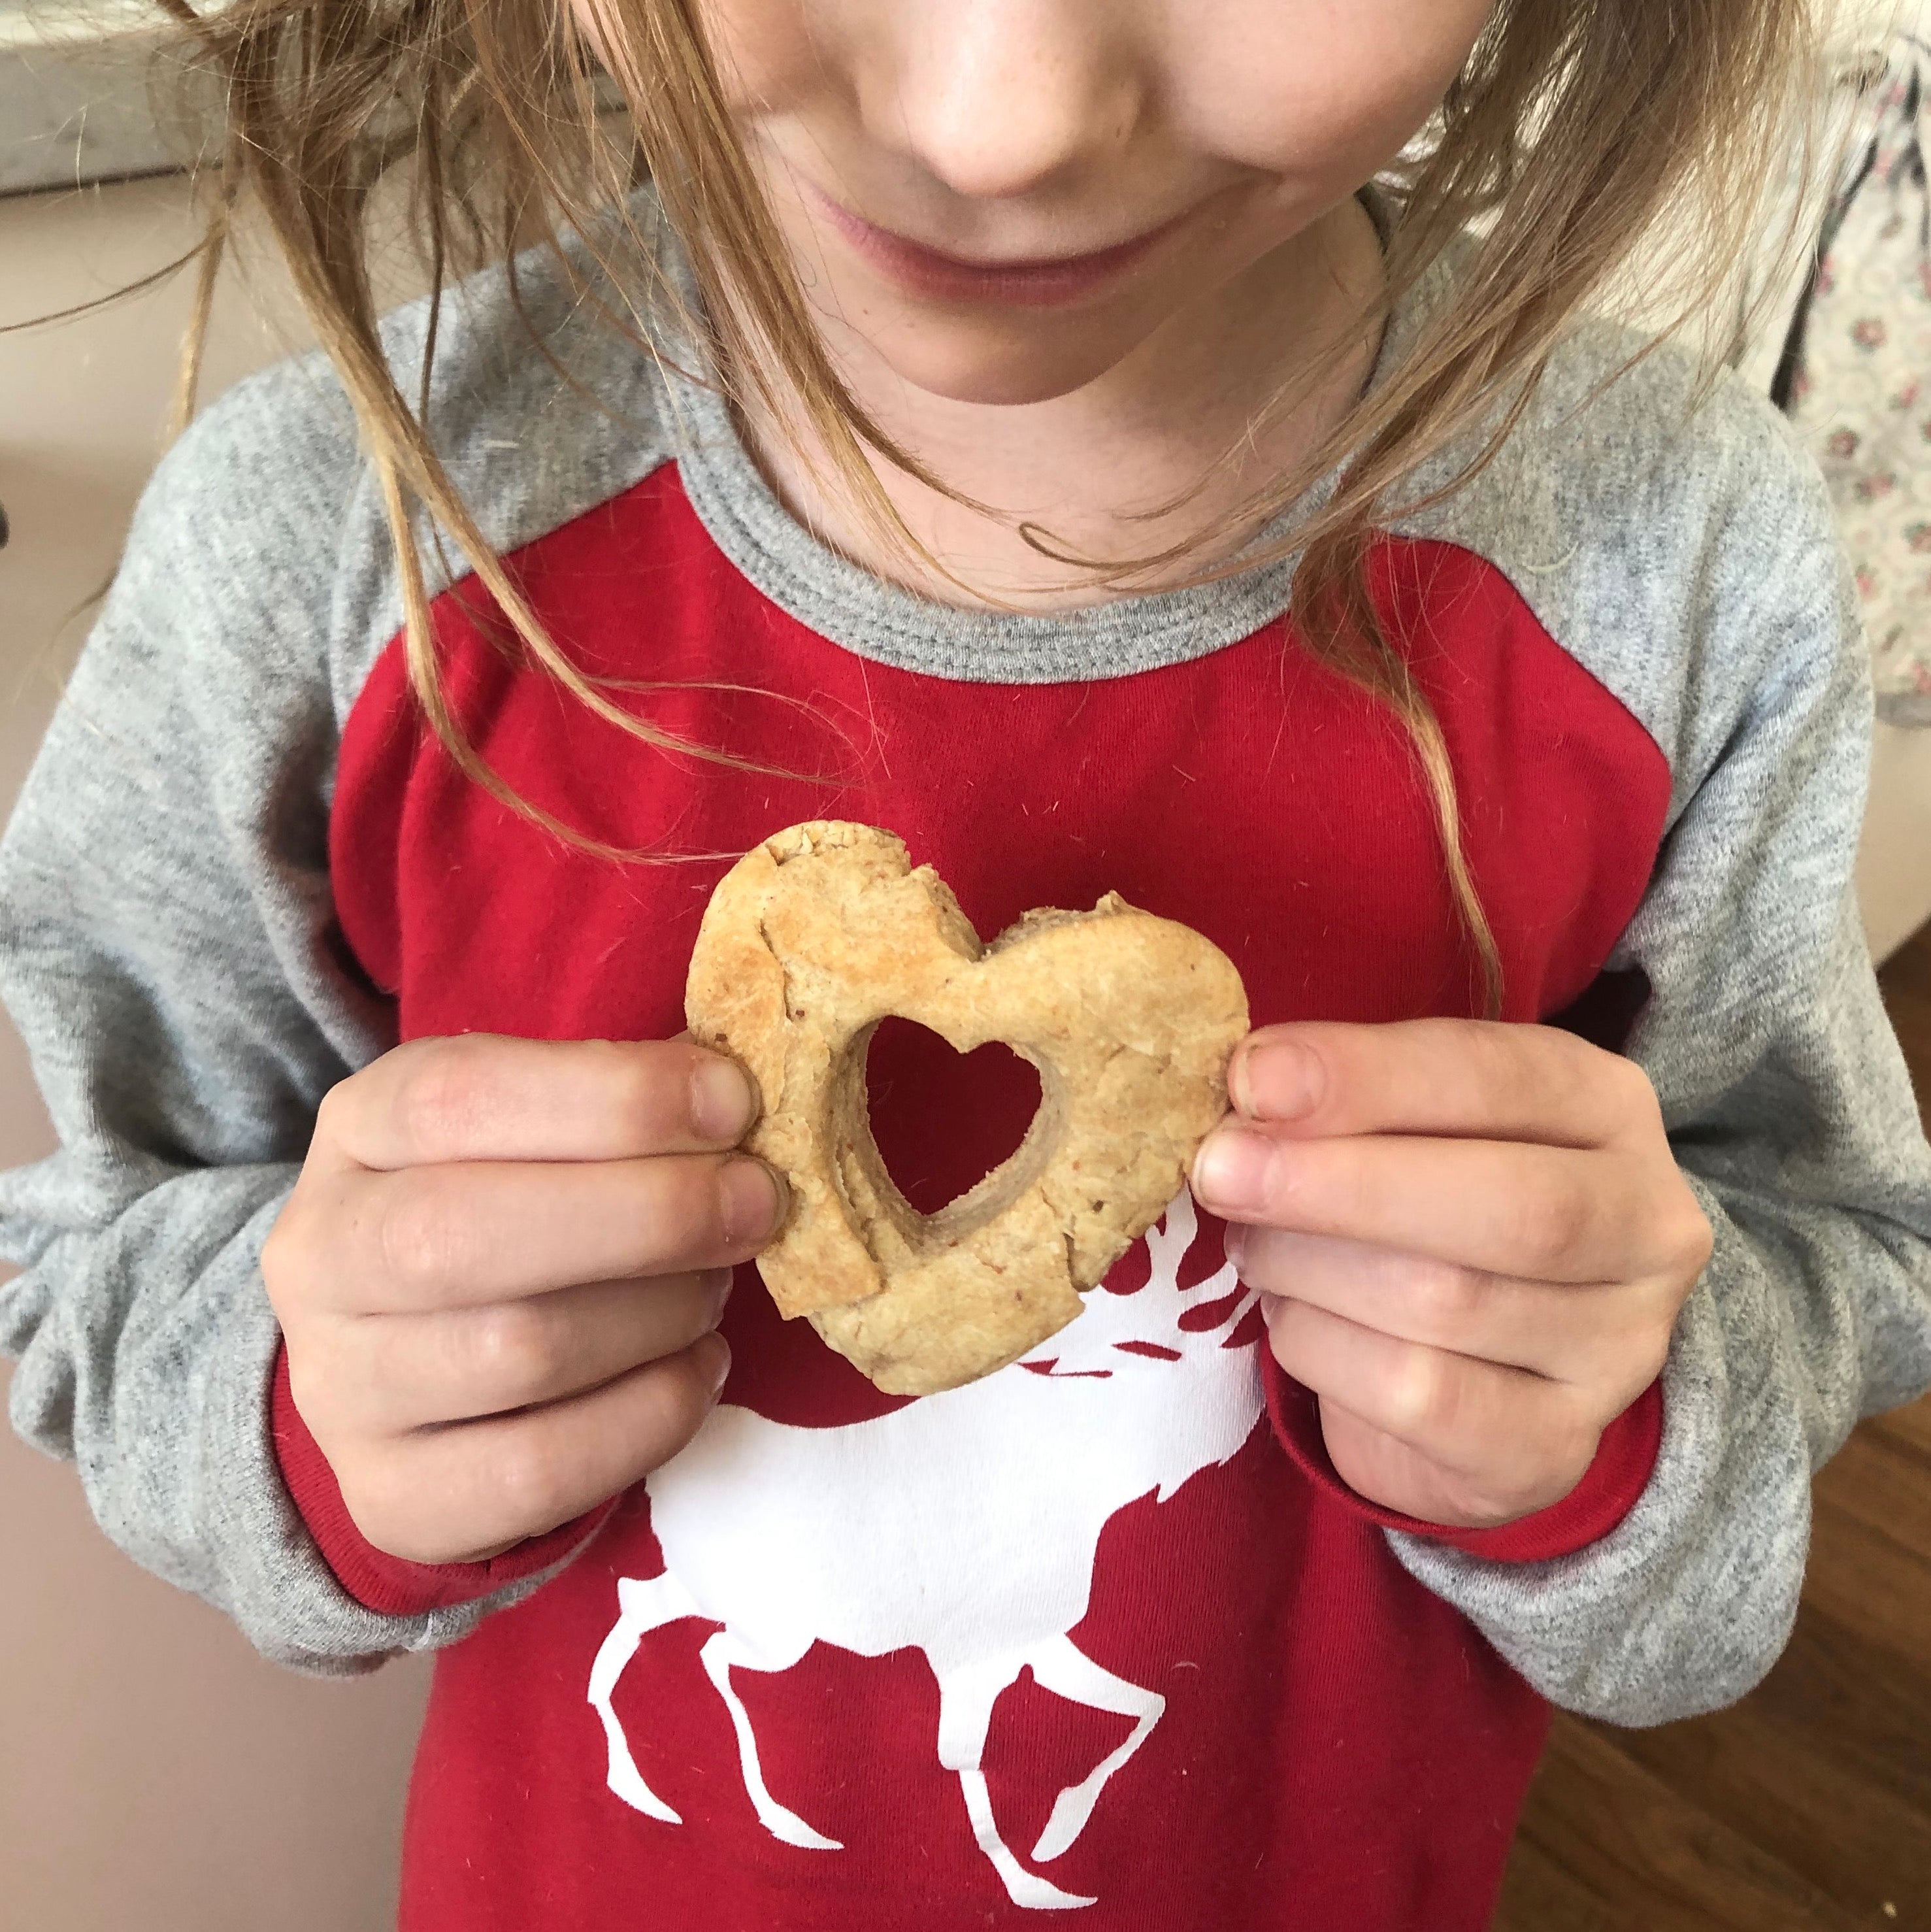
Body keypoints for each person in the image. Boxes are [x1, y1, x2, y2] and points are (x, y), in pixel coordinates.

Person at [4, 1, 1929, 1926]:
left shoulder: (1680, 564)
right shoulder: (337, 537)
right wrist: (302, 1408)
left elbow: (1841, 1246)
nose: (1000, 123)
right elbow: (76, 1257)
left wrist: (1628, 1421)